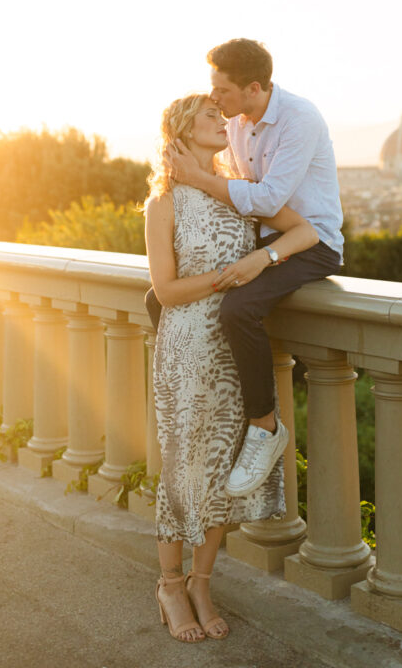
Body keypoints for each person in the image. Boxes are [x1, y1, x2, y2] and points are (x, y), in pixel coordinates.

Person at [145, 92, 319, 643]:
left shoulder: (240, 195)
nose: (224, 123)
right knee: (181, 470)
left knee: (220, 471)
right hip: (185, 350)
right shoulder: (161, 204)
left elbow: (306, 233)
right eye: (210, 116)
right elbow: (167, 291)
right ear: (180, 129)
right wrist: (229, 278)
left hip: (230, 356)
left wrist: (260, 259)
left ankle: (202, 582)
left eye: (224, 115)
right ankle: (170, 586)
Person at [160, 38, 344, 498]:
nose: (216, 100)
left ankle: (263, 426)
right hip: (261, 237)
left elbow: (264, 199)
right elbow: (244, 196)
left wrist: (199, 178)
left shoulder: (300, 119)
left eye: (221, 90)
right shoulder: (240, 123)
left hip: (311, 243)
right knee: (157, 298)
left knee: (239, 309)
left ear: (254, 87)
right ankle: (201, 392)